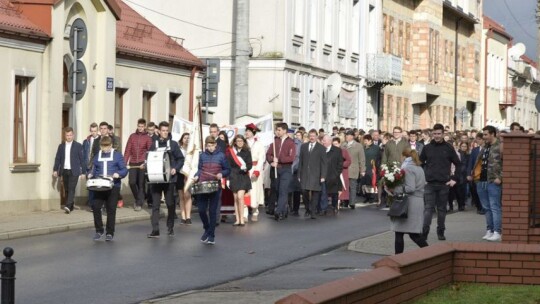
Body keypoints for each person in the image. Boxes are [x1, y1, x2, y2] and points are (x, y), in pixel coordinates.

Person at [419, 123, 461, 241]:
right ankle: (424, 232)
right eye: (435, 134)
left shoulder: (448, 148)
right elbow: (419, 163)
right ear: (432, 134)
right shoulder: (427, 148)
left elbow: (458, 164)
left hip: (444, 184)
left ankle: (440, 232)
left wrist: (454, 179)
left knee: (442, 210)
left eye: (439, 134)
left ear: (443, 134)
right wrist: (421, 178)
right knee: (428, 209)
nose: (436, 136)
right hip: (430, 184)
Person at [147, 121, 185, 238]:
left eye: (166, 131)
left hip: (170, 179)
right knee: (156, 206)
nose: (164, 133)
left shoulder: (173, 144)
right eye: (162, 130)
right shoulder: (154, 144)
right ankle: (155, 230)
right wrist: (145, 163)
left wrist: (175, 168)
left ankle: (170, 227)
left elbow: (181, 159)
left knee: (170, 204)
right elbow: (148, 157)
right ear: (159, 131)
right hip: (156, 179)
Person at [388, 148, 428, 254]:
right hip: (417, 202)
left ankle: (399, 258)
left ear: (404, 156)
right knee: (413, 234)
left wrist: (395, 189)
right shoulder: (418, 167)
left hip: (408, 203)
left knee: (401, 232)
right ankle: (431, 252)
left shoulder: (408, 168)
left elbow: (410, 188)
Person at [88, 136, 128, 241]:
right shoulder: (97, 156)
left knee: (111, 209)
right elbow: (93, 169)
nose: (105, 148)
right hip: (100, 186)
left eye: (106, 146)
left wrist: (118, 174)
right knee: (96, 207)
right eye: (103, 146)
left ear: (111, 145)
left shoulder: (117, 155)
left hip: (113, 186)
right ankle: (99, 230)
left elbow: (124, 170)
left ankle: (110, 233)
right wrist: (90, 174)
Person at [193, 136, 231, 245]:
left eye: (212, 145)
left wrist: (221, 174)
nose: (210, 148)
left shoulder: (221, 156)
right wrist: (196, 176)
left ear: (215, 145)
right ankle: (207, 228)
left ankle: (211, 235)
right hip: (203, 185)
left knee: (213, 211)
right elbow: (200, 169)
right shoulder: (202, 155)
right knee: (201, 210)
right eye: (208, 146)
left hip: (215, 186)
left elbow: (228, 169)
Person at [472, 126, 503, 242]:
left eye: (485, 135)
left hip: (493, 180)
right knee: (486, 207)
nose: (483, 137)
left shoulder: (500, 146)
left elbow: (506, 163)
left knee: (495, 207)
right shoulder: (485, 146)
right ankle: (490, 230)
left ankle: (497, 231)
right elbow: (478, 162)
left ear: (492, 134)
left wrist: (500, 177)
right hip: (481, 180)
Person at [266, 122, 296, 221]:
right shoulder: (274, 142)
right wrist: (271, 161)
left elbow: (291, 158)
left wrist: (279, 159)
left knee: (283, 190)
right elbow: (268, 154)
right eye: (276, 130)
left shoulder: (291, 142)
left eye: (279, 130)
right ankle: (284, 209)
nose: (277, 132)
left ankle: (278, 211)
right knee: (278, 190)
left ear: (284, 131)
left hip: (286, 169)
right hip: (276, 169)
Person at [53, 127, 86, 214]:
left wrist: (83, 172)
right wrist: (55, 169)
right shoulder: (61, 146)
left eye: (70, 135)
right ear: (65, 136)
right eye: (67, 135)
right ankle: (70, 205)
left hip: (74, 171)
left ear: (73, 135)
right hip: (64, 170)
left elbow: (82, 159)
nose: (69, 137)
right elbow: (58, 158)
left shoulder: (78, 146)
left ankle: (67, 205)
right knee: (67, 189)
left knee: (71, 188)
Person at [124, 118, 153, 211]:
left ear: (145, 127)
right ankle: (138, 198)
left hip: (142, 163)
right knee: (132, 182)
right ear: (137, 126)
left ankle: (139, 203)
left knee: (141, 184)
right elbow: (127, 150)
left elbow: (150, 152)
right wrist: (124, 162)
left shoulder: (147, 138)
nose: (140, 128)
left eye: (142, 126)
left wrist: (145, 163)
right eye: (139, 126)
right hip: (132, 162)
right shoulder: (132, 136)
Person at [298, 129, 326, 219]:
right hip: (305, 174)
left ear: (317, 137)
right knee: (304, 191)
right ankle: (307, 208)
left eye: (313, 136)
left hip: (316, 174)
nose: (312, 137)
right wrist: (299, 174)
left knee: (315, 193)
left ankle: (313, 212)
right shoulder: (303, 146)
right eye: (310, 136)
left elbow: (324, 163)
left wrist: (323, 176)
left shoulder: (321, 148)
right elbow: (300, 161)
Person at [227, 135, 252, 226]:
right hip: (234, 176)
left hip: (243, 176)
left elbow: (250, 164)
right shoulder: (231, 152)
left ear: (244, 142)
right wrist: (228, 178)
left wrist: (245, 168)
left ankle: (242, 218)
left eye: (241, 141)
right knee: (235, 198)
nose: (239, 142)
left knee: (240, 197)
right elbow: (228, 165)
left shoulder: (247, 151)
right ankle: (237, 219)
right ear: (235, 142)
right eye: (238, 141)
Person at [245, 123, 265, 221]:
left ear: (253, 132)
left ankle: (255, 211)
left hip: (255, 167)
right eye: (246, 131)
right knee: (244, 190)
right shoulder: (242, 143)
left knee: (255, 190)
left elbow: (261, 159)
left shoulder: (259, 144)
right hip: (244, 169)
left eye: (248, 131)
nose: (246, 133)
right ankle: (244, 213)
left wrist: (257, 171)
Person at [341, 130, 365, 209]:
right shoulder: (343, 145)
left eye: (348, 135)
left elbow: (362, 159)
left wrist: (362, 170)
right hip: (344, 169)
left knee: (352, 186)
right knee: (344, 186)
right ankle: (345, 201)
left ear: (352, 136)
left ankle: (352, 202)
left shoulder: (358, 146)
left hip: (353, 168)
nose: (346, 137)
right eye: (346, 135)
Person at [320, 135, 343, 214]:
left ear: (329, 141)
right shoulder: (321, 149)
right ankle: (323, 208)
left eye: (324, 141)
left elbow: (340, 163)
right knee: (323, 193)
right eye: (322, 140)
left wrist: (337, 174)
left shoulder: (337, 150)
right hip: (323, 175)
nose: (323, 142)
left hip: (333, 175)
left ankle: (334, 206)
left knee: (334, 193)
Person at [466, 133, 485, 214]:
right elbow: (470, 162)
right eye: (477, 139)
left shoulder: (488, 149)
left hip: (484, 174)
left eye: (479, 139)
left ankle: (483, 207)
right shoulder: (475, 150)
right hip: (476, 175)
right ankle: (479, 207)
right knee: (476, 192)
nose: (477, 141)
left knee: (483, 192)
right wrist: (468, 174)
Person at [177, 133, 193, 224]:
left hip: (188, 174)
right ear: (182, 139)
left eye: (188, 138)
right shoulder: (179, 149)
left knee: (187, 195)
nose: (186, 139)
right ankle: (183, 216)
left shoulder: (191, 150)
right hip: (180, 173)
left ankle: (188, 216)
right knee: (181, 196)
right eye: (185, 138)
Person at [82, 122, 99, 210]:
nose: (93, 133)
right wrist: (83, 167)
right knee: (90, 185)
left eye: (95, 131)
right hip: (87, 166)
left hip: (95, 166)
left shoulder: (100, 140)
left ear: (97, 130)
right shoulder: (86, 141)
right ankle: (92, 202)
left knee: (94, 185)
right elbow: (83, 154)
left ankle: (93, 204)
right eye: (92, 131)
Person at [362, 134, 381, 203]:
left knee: (372, 183)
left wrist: (376, 166)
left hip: (373, 168)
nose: (365, 142)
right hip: (365, 167)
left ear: (370, 140)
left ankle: (373, 197)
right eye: (364, 141)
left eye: (366, 141)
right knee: (365, 183)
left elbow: (379, 158)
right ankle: (367, 196)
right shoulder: (363, 148)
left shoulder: (376, 148)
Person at [334, 137, 351, 209]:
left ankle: (340, 201)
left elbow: (349, 161)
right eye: (333, 144)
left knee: (342, 187)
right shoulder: (330, 151)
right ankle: (335, 202)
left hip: (343, 172)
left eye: (336, 144)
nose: (335, 145)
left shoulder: (344, 151)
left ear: (339, 144)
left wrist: (341, 164)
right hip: (334, 172)